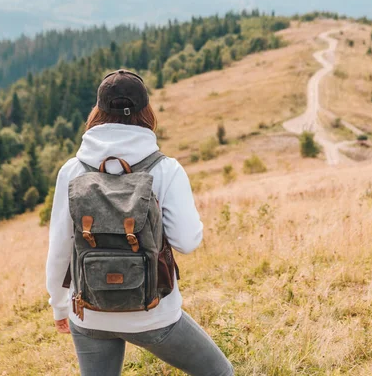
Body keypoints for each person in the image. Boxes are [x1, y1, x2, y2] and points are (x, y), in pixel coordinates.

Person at [45, 69, 233, 376]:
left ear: (98, 111)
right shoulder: (165, 170)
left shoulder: (73, 170)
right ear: (147, 111)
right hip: (154, 314)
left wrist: (59, 305)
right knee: (220, 372)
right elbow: (188, 241)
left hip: (89, 313)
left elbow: (59, 249)